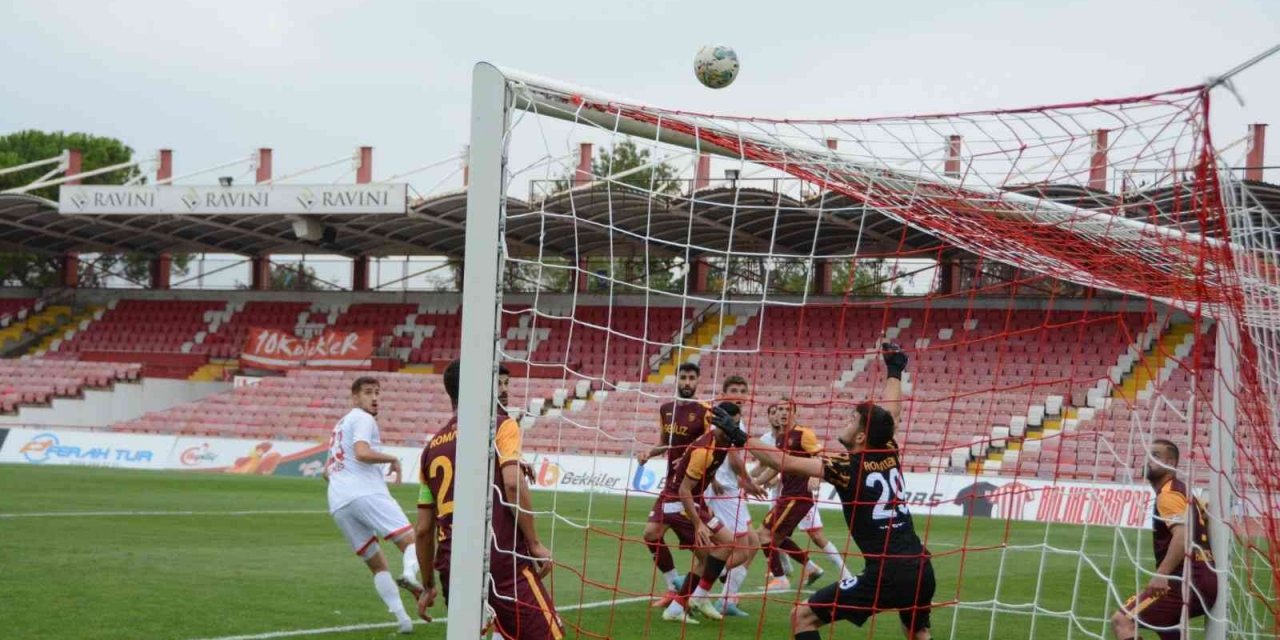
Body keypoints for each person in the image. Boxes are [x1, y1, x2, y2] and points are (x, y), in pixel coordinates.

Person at [730, 343, 936, 640]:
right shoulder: (888, 449)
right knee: (917, 632)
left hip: (887, 574)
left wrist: (738, 435)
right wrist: (894, 370)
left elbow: (782, 460)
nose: (845, 422)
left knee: (802, 617)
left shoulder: (846, 466)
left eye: (851, 420)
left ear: (863, 436)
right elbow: (892, 415)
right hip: (921, 566)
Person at [415, 362, 564, 639]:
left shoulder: (431, 449)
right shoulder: (500, 424)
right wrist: (534, 543)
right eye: (497, 382)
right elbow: (512, 484)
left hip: (453, 566)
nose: (503, 389)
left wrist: (428, 585)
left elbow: (423, 530)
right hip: (499, 558)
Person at [324, 376, 422, 634]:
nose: (375, 397)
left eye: (377, 392)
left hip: (338, 501)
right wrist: (393, 459)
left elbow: (327, 471)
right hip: (365, 491)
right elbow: (362, 453)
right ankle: (411, 576)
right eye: (368, 393)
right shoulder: (362, 418)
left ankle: (403, 620)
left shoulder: (339, 425)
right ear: (355, 397)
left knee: (377, 565)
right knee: (412, 540)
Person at [656, 401, 756, 623]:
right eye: (732, 425)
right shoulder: (705, 451)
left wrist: (748, 483)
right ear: (719, 424)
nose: (735, 430)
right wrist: (699, 523)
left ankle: (678, 607)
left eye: (738, 425)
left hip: (692, 502)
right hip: (679, 504)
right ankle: (696, 597)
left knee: (718, 551)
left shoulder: (722, 444)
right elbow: (684, 490)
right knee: (721, 548)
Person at [1110, 439, 1218, 640]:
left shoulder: (1168, 494)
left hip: (1185, 582)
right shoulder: (1184, 493)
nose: (1149, 460)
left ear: (1171, 463)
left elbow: (1182, 534)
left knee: (1122, 620)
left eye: (1156, 456)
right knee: (1167, 628)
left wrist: (1162, 573)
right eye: (1149, 455)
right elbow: (1203, 516)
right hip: (1204, 580)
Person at [754, 400, 852, 591]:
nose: (783, 413)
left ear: (795, 413)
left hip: (797, 497)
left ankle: (780, 578)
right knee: (778, 538)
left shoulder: (803, 434)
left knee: (764, 534)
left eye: (788, 409)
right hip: (788, 495)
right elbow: (778, 466)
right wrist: (754, 483)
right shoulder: (781, 437)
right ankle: (812, 569)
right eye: (780, 409)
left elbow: (820, 455)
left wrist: (817, 476)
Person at [637, 362, 712, 606]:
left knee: (705, 553)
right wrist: (649, 452)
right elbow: (664, 442)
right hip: (671, 485)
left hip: (692, 487)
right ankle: (673, 586)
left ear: (698, 381)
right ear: (677, 380)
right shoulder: (666, 409)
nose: (687, 382)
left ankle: (699, 595)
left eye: (692, 378)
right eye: (684, 377)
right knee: (651, 534)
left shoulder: (705, 411)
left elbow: (711, 446)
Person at [707, 375, 767, 617]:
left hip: (732, 490)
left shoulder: (736, 422)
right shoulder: (725, 421)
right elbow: (732, 459)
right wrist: (748, 481)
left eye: (742, 390)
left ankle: (725, 597)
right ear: (723, 393)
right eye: (733, 390)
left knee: (752, 543)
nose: (738, 395)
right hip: (725, 492)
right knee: (741, 547)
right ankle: (698, 583)